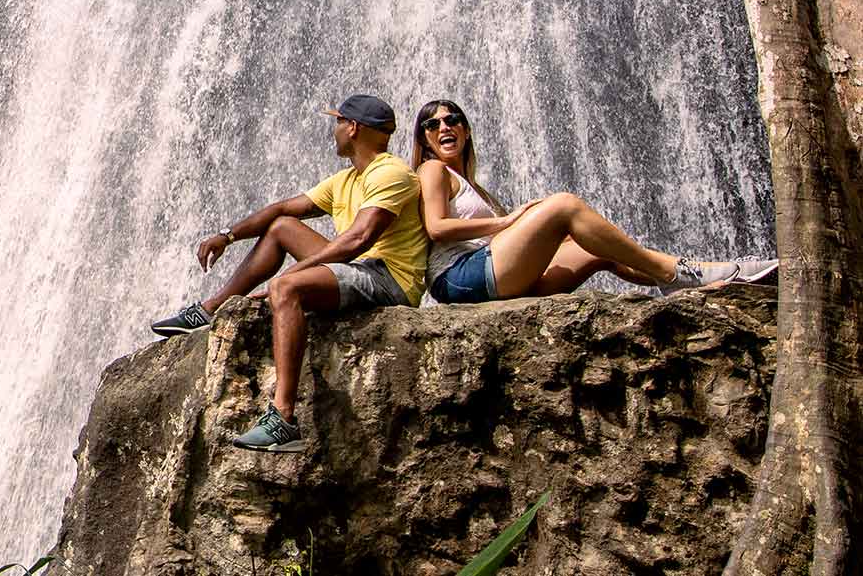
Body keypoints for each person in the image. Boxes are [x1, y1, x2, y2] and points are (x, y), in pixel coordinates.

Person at [148, 94, 431, 453]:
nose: (335, 131)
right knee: (282, 226)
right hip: (356, 267)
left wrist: (293, 274)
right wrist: (227, 235)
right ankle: (208, 309)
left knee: (285, 288)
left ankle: (283, 418)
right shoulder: (347, 179)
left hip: (387, 279)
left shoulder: (390, 172)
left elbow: (358, 240)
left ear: (353, 128)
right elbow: (283, 209)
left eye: (338, 122)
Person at [409, 98, 778, 304]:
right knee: (564, 205)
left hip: (488, 277)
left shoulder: (472, 185)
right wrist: (508, 222)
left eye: (452, 118)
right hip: (459, 279)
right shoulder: (432, 171)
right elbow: (437, 227)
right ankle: (675, 272)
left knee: (596, 248)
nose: (444, 126)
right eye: (433, 124)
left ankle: (704, 276)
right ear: (424, 140)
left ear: (466, 129)